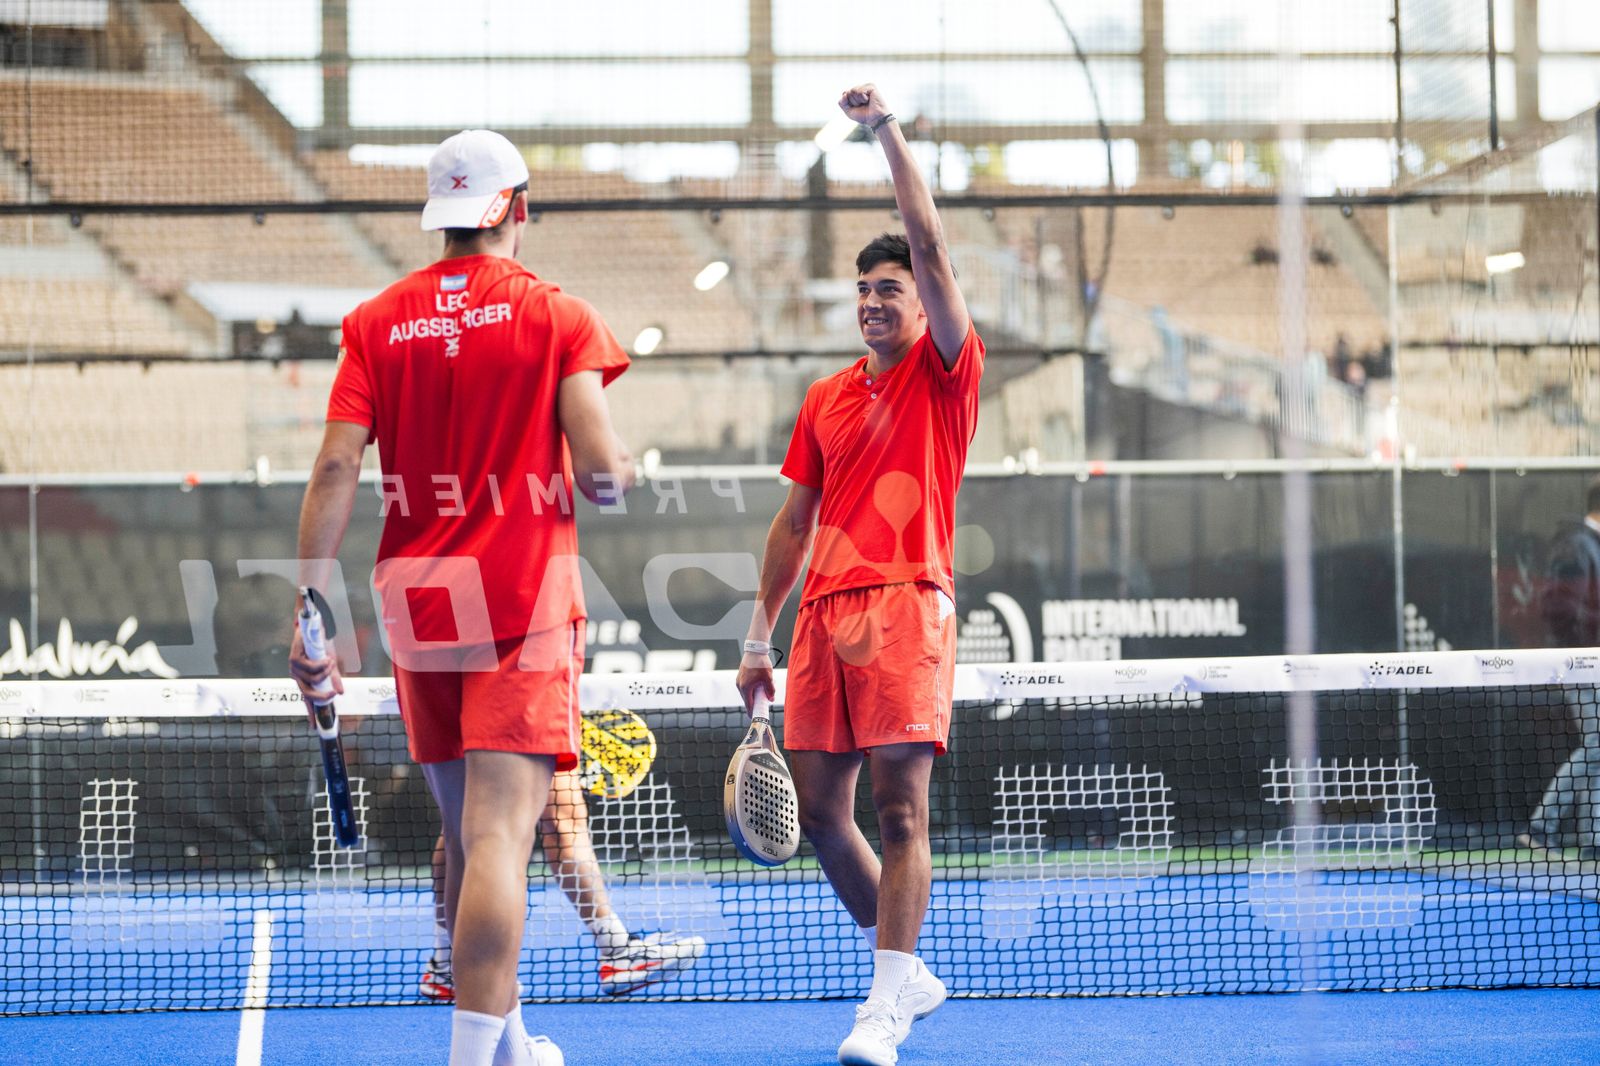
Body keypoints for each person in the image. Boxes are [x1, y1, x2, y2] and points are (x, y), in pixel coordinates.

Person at [290, 128, 635, 1066]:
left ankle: (513, 1041)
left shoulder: (375, 320)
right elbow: (603, 475)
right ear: (517, 208)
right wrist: (610, 470)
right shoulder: (556, 314)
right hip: (520, 598)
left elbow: (333, 464)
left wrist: (309, 607)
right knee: (496, 838)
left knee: (464, 832)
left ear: (441, 216)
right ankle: (470, 1057)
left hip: (418, 602)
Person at [736, 84, 981, 1066]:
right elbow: (793, 520)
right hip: (822, 622)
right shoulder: (825, 396)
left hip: (905, 604)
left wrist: (882, 132)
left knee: (899, 810)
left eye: (894, 288)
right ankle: (905, 968)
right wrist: (759, 629)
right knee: (825, 815)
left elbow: (926, 238)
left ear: (923, 302)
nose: (878, 300)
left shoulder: (945, 372)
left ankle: (882, 1004)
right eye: (866, 290)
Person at [419, 767, 707, 1001]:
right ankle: (451, 964)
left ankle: (450, 964)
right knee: (473, 819)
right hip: (508, 699)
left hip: (492, 699)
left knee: (481, 820)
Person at [1521, 476, 1600, 861]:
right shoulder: (1576, 545)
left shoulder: (1590, 546)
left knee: (1598, 748)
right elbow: (1559, 609)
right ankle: (1541, 825)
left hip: (1593, 663)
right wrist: (1585, 653)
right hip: (1584, 665)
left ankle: (1594, 840)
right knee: (1597, 745)